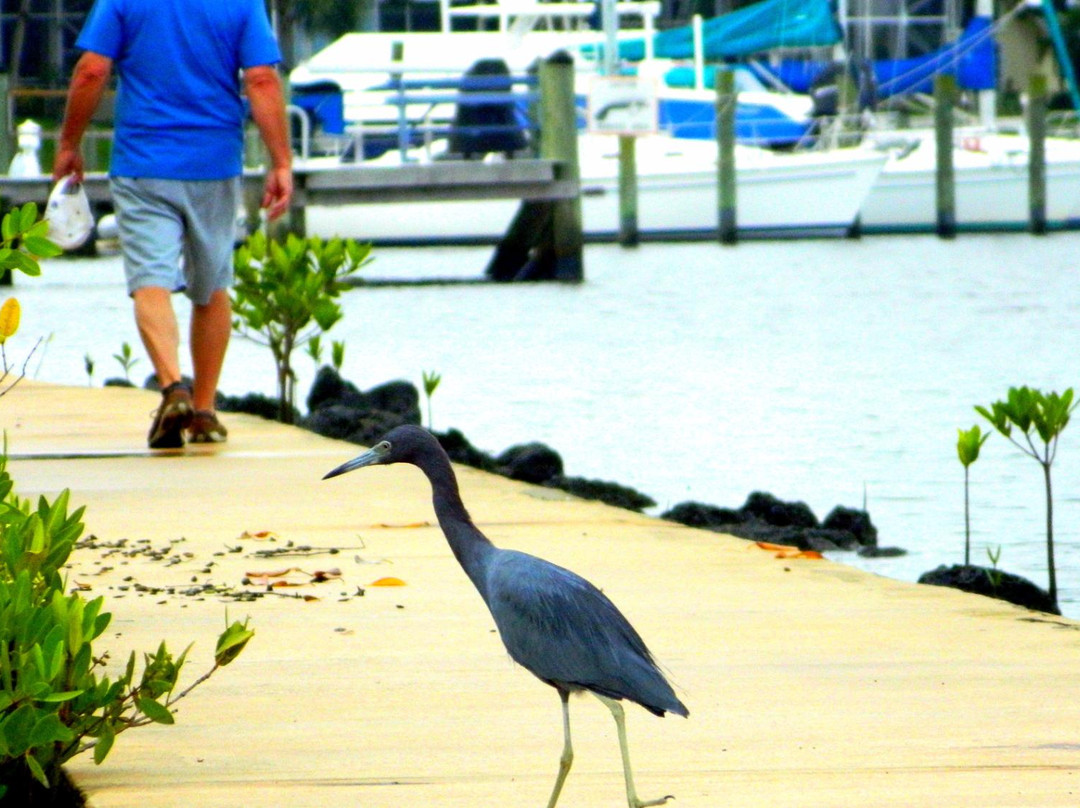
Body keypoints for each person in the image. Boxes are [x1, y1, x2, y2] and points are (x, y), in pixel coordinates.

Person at [52, 0, 293, 449]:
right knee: (212, 285)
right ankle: (203, 411)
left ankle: (172, 388)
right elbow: (260, 78)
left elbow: (90, 70)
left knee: (150, 281)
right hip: (215, 162)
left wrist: (69, 142)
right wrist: (281, 162)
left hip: (143, 162)